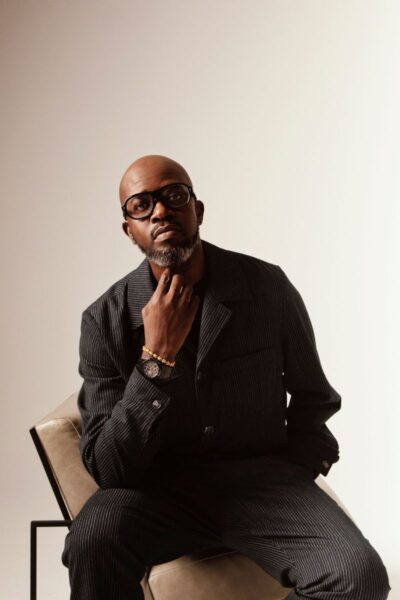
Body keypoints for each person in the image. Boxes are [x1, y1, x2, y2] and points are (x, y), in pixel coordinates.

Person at [62, 154, 390, 599]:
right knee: (91, 540)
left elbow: (314, 397)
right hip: (156, 495)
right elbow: (107, 467)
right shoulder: (104, 320)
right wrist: (156, 357)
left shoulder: (267, 286)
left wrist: (295, 470)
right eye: (141, 205)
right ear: (129, 230)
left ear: (197, 210)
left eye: (174, 195)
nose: (160, 211)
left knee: (358, 576)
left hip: (265, 486)